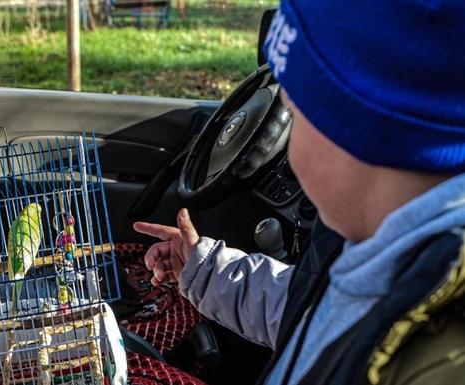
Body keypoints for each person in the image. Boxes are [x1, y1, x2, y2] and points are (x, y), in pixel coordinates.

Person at [133, 0, 465, 384]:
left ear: (354, 131)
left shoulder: (439, 355)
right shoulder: (362, 239)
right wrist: (206, 271)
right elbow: (313, 310)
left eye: (294, 111)